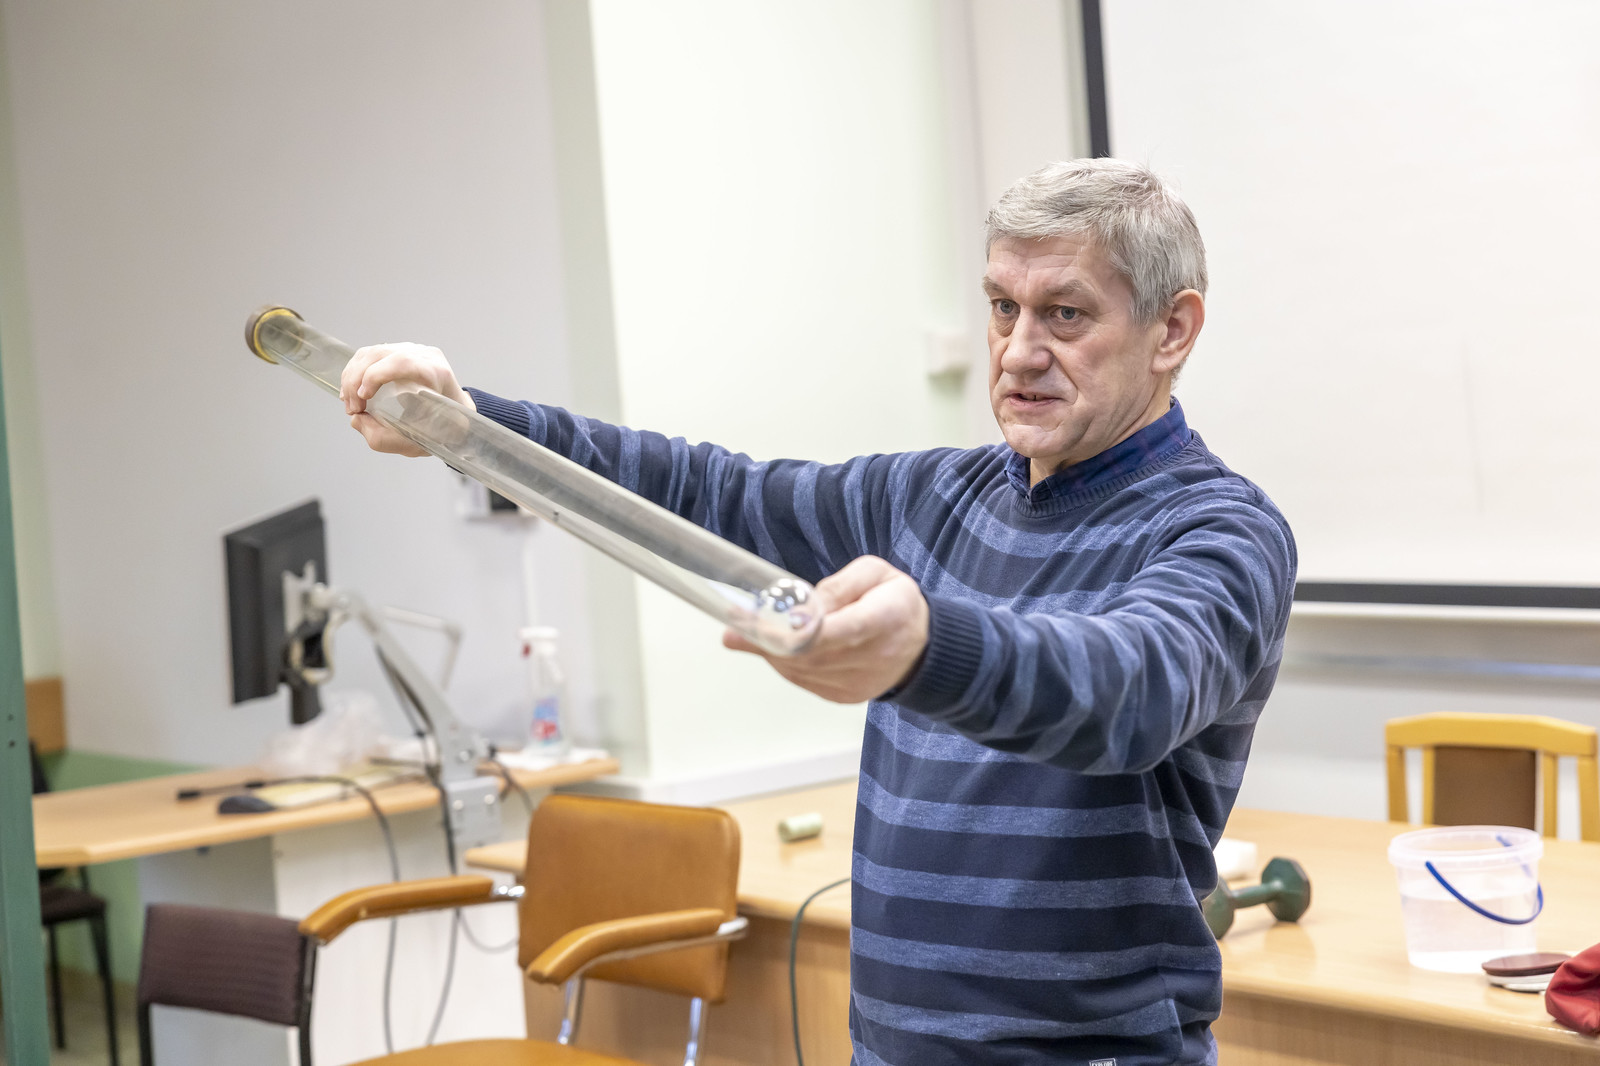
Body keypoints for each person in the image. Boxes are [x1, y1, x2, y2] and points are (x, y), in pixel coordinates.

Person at [341, 159, 1296, 1066]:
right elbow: (703, 490)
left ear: (1172, 332)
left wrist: (926, 646)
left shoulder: (1223, 530)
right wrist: (468, 426)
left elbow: (1126, 692)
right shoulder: (928, 498)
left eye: (1066, 314)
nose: (1018, 352)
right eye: (1003, 307)